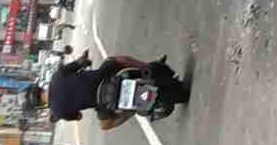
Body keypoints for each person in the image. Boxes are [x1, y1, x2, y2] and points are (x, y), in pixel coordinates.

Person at [41, 50, 188, 131]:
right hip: (105, 76)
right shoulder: (56, 76)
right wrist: (84, 60)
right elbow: (80, 62)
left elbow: (78, 116)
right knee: (117, 60)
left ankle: (133, 109)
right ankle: (147, 68)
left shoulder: (58, 112)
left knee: (104, 125)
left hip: (103, 101)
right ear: (40, 88)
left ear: (40, 104)